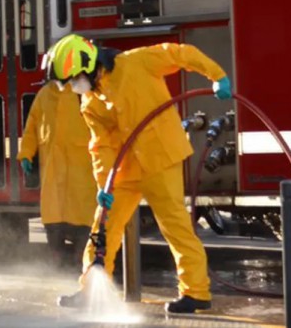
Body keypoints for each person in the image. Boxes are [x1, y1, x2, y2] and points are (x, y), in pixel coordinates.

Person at [46, 34, 232, 314]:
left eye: (74, 79)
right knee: (103, 227)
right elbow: (101, 146)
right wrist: (104, 186)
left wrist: (216, 76)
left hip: (161, 159)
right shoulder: (90, 102)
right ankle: (90, 289)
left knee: (175, 227)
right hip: (125, 170)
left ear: (88, 64)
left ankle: (196, 292)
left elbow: (181, 53)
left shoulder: (137, 62)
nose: (74, 86)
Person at [18, 74, 97, 269]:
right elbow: (32, 125)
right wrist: (26, 153)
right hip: (54, 172)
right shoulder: (45, 94)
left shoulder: (85, 92)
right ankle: (57, 268)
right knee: (54, 221)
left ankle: (83, 264)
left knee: (83, 221)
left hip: (81, 170)